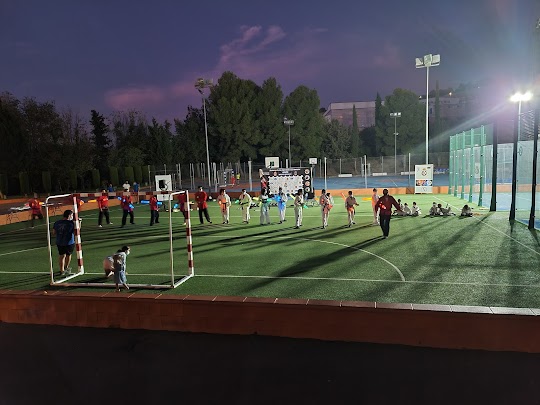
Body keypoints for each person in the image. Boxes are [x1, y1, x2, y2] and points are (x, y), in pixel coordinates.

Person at [52, 209, 76, 276]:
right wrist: (79, 223)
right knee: (68, 255)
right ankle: (66, 267)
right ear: (69, 215)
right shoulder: (71, 223)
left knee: (61, 255)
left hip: (59, 242)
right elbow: (76, 231)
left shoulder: (57, 222)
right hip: (69, 242)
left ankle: (61, 270)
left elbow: (54, 232)